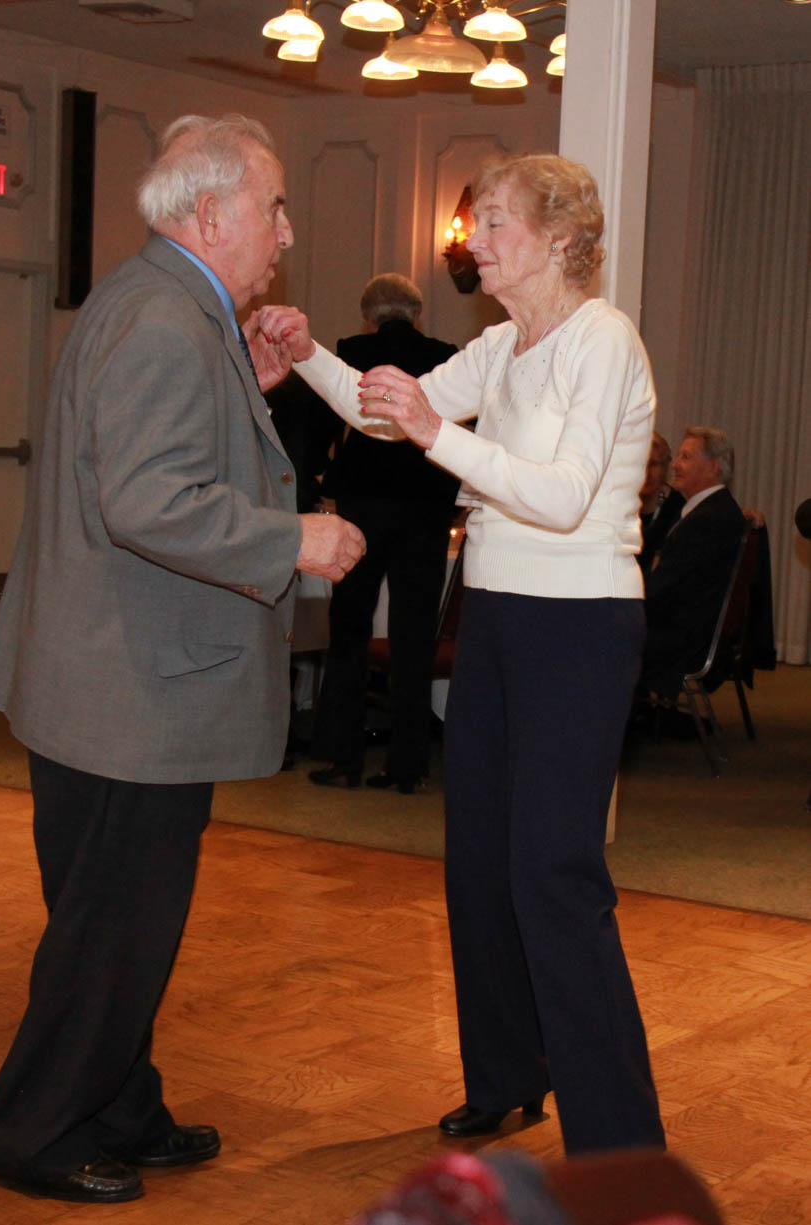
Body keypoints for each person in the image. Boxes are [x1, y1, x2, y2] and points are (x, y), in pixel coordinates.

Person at [0, 113, 364, 1204]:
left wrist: (256, 382)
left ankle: (117, 1103)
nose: (285, 231)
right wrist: (297, 539)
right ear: (211, 214)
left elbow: (158, 450)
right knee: (114, 926)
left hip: (112, 677)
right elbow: (148, 500)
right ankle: (34, 1130)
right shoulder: (163, 320)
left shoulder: (160, 302)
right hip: (129, 689)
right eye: (274, 207)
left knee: (113, 917)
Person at [260, 152, 666, 1156]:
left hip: (578, 624)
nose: (471, 242)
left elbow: (563, 495)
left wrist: (439, 432)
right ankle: (507, 1075)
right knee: (479, 860)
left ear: (562, 237)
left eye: (492, 224)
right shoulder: (506, 344)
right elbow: (380, 409)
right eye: (471, 224)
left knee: (553, 874)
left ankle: (620, 1145)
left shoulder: (600, 339)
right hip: (492, 614)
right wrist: (311, 351)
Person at [307, 273, 459, 794]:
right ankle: (408, 766)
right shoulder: (444, 354)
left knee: (349, 628)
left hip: (364, 504)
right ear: (417, 315)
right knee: (413, 636)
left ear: (369, 316)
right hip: (424, 505)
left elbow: (328, 420)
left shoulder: (353, 351)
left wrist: (322, 477)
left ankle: (342, 759)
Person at [641, 427, 746, 699]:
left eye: (686, 457)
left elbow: (663, 591)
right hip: (689, 628)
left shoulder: (706, 520)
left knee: (601, 630)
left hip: (684, 639)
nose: (675, 465)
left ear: (713, 467)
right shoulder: (712, 510)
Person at [637, 431, 683, 576]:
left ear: (665, 467)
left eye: (653, 464)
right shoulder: (623, 505)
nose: (646, 472)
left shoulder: (679, 507)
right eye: (640, 464)